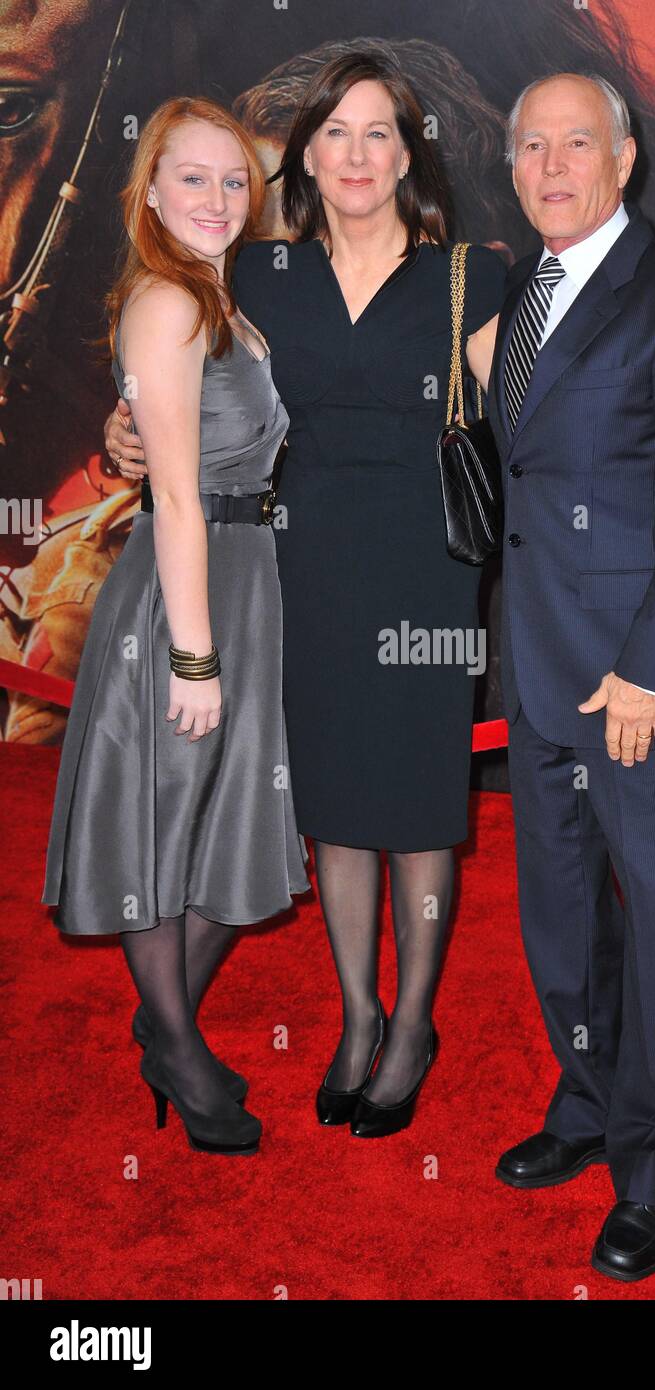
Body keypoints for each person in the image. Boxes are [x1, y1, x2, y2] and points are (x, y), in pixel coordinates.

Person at [104, 53, 507, 1139]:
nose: (359, 154)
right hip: (303, 570)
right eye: (338, 133)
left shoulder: (471, 274)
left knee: (421, 811)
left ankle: (412, 1025)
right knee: (331, 809)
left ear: (408, 152)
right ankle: (356, 1014)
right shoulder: (263, 274)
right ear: (306, 155)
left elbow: (532, 426)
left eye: (381, 133)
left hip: (429, 571)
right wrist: (123, 431)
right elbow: (195, 375)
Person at [486, 74, 655, 1280]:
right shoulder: (514, 298)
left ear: (626, 157)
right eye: (531, 145)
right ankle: (587, 1105)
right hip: (536, 668)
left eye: (576, 142)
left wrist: (650, 670)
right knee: (558, 915)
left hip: (643, 682)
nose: (552, 164)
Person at [43, 96, 310, 1156]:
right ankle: (180, 1047)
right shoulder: (170, 303)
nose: (215, 196)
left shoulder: (225, 304)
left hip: (245, 581)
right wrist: (193, 656)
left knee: (222, 826)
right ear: (149, 189)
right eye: (191, 176)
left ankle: (165, 1029)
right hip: (184, 589)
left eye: (233, 178)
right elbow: (184, 500)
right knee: (166, 820)